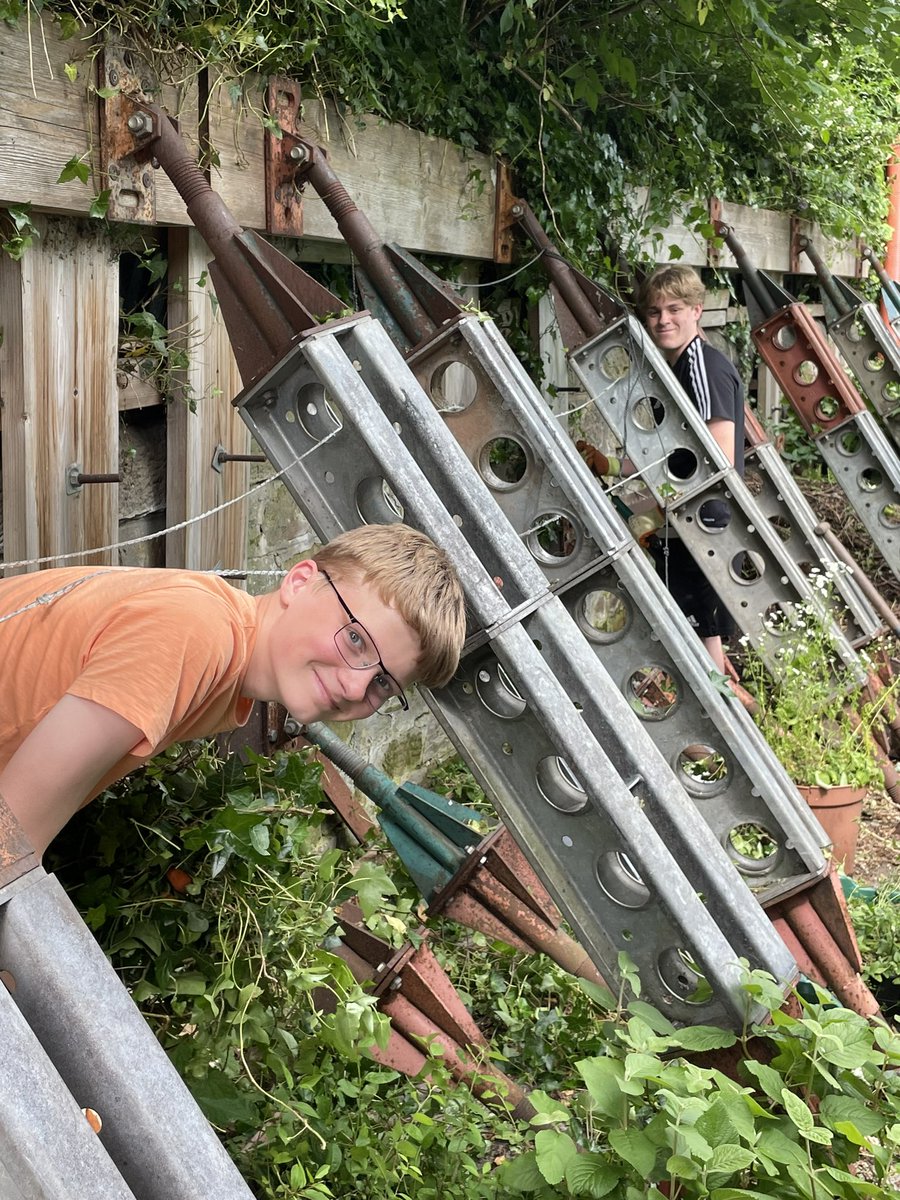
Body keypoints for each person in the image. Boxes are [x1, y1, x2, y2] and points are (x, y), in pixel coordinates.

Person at [0, 523, 466, 857]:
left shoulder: (228, 667)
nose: (355, 683)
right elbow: (9, 842)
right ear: (301, 582)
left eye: (383, 683)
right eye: (356, 639)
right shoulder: (196, 633)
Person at [577, 264, 744, 673]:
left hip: (704, 519)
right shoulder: (672, 369)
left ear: (696, 311)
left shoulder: (704, 367)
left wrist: (649, 510)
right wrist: (613, 466)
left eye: (674, 309)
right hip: (683, 514)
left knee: (698, 632)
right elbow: (672, 454)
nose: (663, 319)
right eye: (654, 312)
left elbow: (716, 459)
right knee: (699, 632)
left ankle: (715, 722)